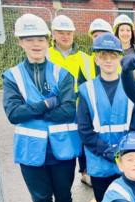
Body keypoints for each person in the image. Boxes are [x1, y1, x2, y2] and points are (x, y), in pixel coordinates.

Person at [2, 14, 85, 202]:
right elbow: (14, 114)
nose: (35, 44)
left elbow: (69, 110)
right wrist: (48, 103)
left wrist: (33, 109)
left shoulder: (63, 74)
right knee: (40, 197)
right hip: (30, 150)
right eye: (29, 39)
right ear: (20, 42)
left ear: (48, 41)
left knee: (63, 194)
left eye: (40, 38)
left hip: (61, 148)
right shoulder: (12, 76)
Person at [77, 33, 135, 202]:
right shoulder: (86, 90)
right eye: (103, 56)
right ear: (96, 60)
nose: (108, 60)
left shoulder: (134, 87)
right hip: (99, 161)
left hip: (126, 159)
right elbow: (84, 129)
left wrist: (122, 151)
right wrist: (106, 151)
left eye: (113, 56)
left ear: (120, 58)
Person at [47, 14, 93, 188]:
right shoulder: (47, 55)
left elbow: (89, 81)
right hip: (56, 105)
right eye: (61, 32)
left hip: (79, 105)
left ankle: (85, 172)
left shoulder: (83, 57)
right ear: (53, 34)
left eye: (68, 33)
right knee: (59, 139)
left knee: (82, 138)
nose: (65, 36)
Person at [77, 18, 114, 85]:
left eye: (102, 36)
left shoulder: (120, 61)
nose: (99, 39)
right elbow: (81, 90)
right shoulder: (85, 63)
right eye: (95, 36)